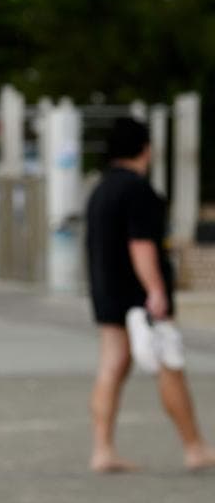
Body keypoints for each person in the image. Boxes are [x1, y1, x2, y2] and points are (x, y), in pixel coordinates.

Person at [84, 117, 215, 473]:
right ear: (146, 149)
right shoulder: (139, 190)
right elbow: (141, 245)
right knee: (169, 363)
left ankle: (102, 449)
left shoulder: (100, 190)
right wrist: (156, 289)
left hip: (107, 291)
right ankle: (194, 446)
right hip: (139, 296)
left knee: (112, 365)